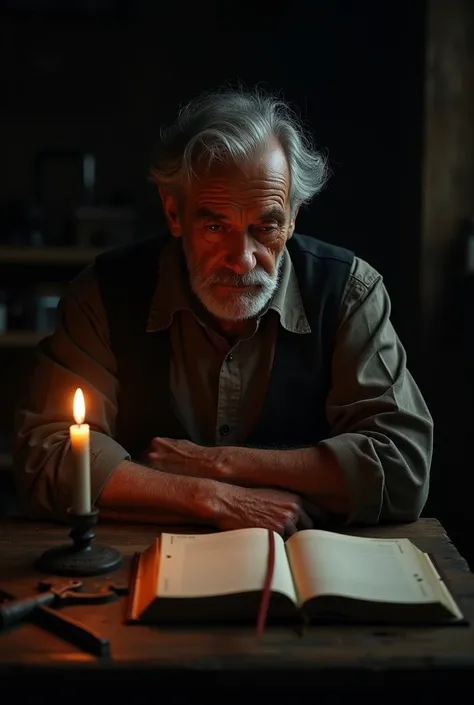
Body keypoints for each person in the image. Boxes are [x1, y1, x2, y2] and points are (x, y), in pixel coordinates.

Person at [13, 89, 433, 535]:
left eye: (265, 227)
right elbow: (48, 455)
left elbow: (402, 468)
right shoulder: (103, 293)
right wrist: (210, 497)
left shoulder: (349, 293)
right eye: (215, 226)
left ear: (293, 217)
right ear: (173, 213)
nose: (243, 259)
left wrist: (216, 462)